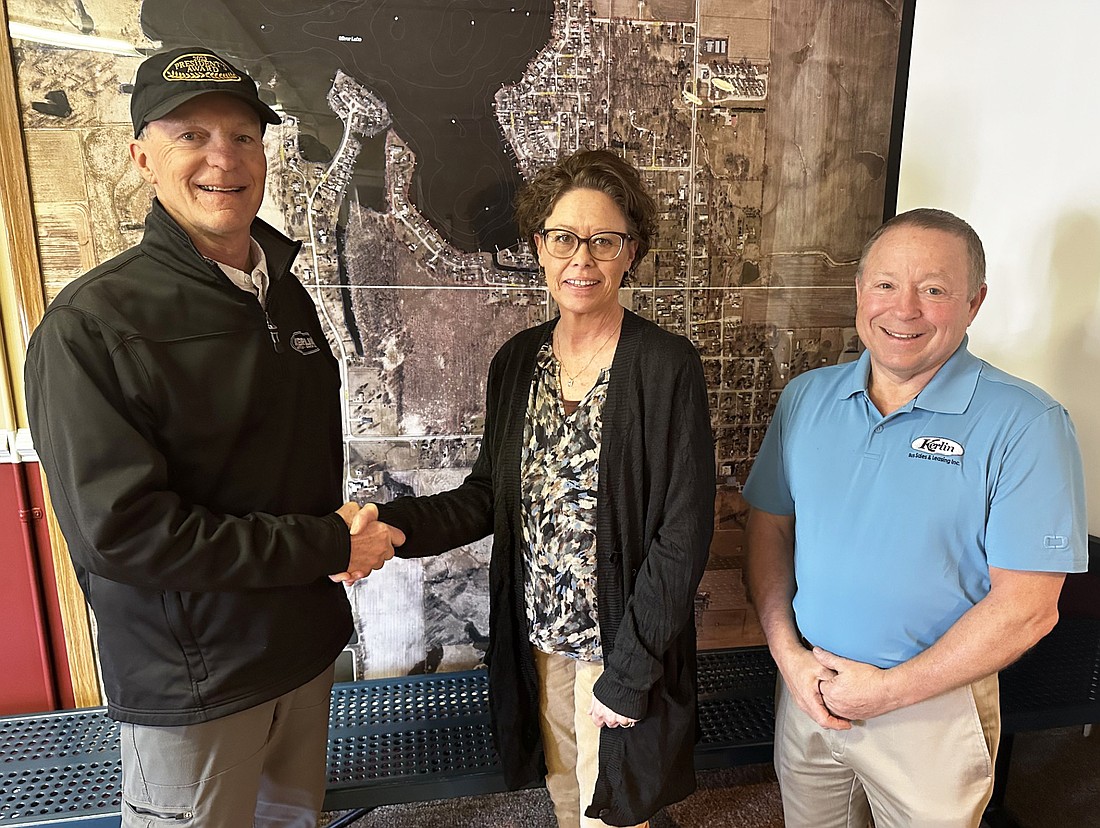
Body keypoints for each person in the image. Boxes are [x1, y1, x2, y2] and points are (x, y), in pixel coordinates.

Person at [24, 46, 403, 827]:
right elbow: (123, 535)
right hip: (192, 686)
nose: (222, 159)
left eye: (243, 136)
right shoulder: (91, 328)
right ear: (140, 157)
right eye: (190, 135)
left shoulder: (283, 293)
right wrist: (326, 548)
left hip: (297, 657)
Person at [369, 148, 715, 827]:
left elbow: (683, 532)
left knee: (615, 811)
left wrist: (630, 671)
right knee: (565, 793)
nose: (581, 260)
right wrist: (393, 525)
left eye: (604, 241)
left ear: (630, 252)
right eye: (563, 238)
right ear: (539, 246)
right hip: (539, 639)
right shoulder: (517, 360)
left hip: (620, 644)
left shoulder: (665, 366)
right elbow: (486, 496)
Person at [744, 208, 1088, 827]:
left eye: (933, 290)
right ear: (859, 293)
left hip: (932, 709)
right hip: (806, 689)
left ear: (974, 303)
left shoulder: (1028, 424)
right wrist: (787, 656)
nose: (904, 310)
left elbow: (1029, 608)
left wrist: (886, 692)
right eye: (885, 285)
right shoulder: (805, 399)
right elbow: (769, 528)